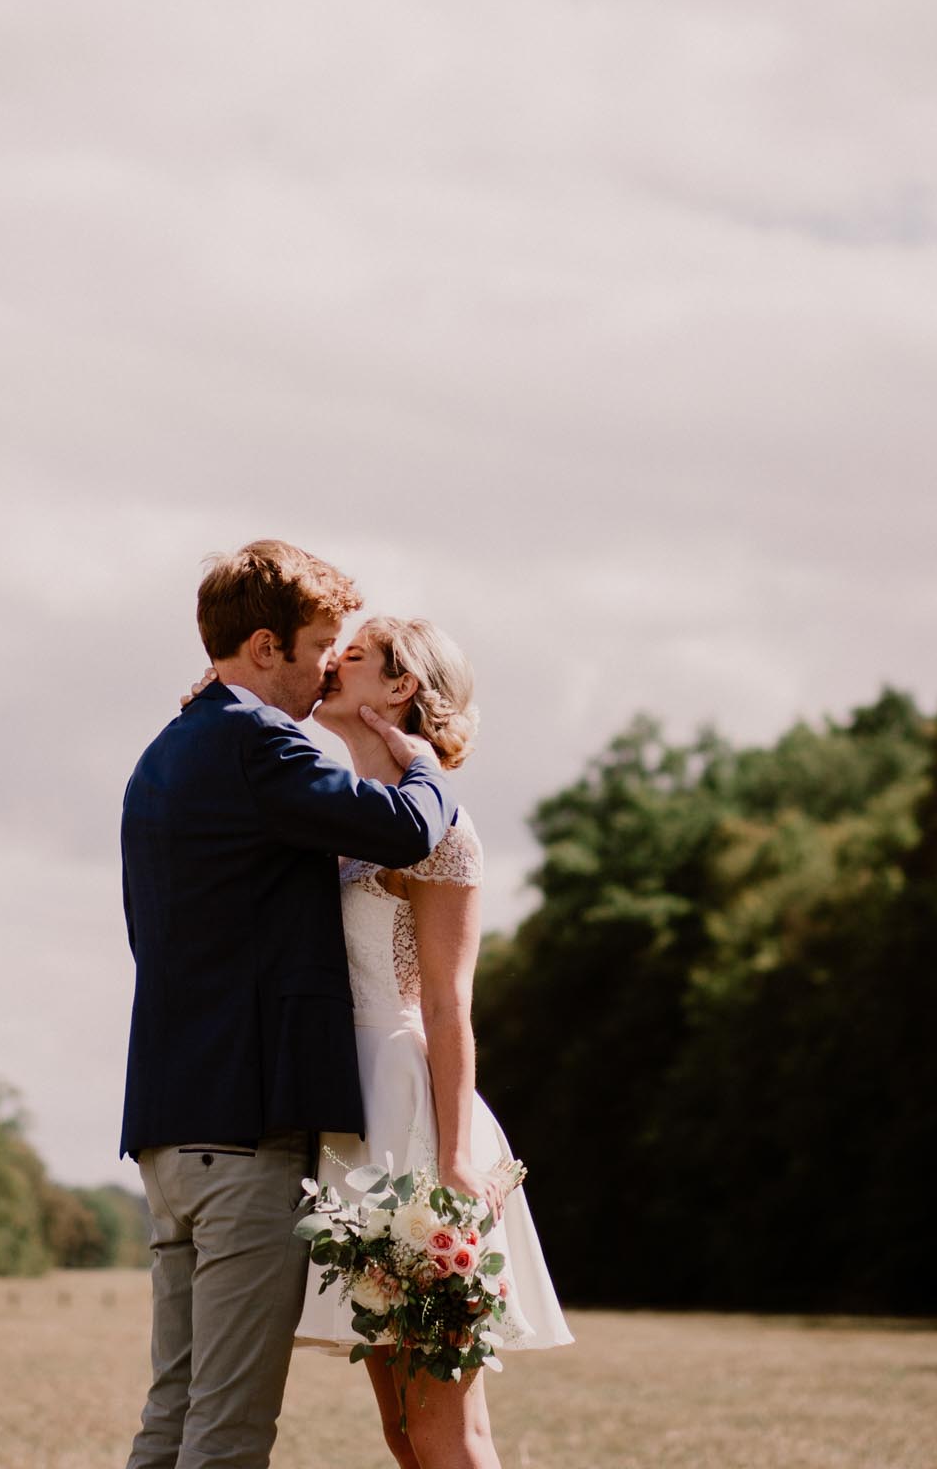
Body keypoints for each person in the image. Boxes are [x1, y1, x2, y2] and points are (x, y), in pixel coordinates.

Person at [120, 541, 456, 1469]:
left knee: (173, 1415)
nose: (324, 668)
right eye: (317, 645)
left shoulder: (166, 751)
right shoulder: (254, 741)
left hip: (168, 1127)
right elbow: (403, 826)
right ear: (265, 646)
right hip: (244, 1133)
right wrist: (422, 765)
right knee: (226, 1435)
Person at [294, 615, 570, 1469]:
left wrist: (454, 1162)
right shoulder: (344, 827)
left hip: (415, 1125)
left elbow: (450, 1009)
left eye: (357, 657)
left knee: (449, 1427)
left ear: (401, 689)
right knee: (401, 1428)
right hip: (351, 1127)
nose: (331, 662)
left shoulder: (444, 833)